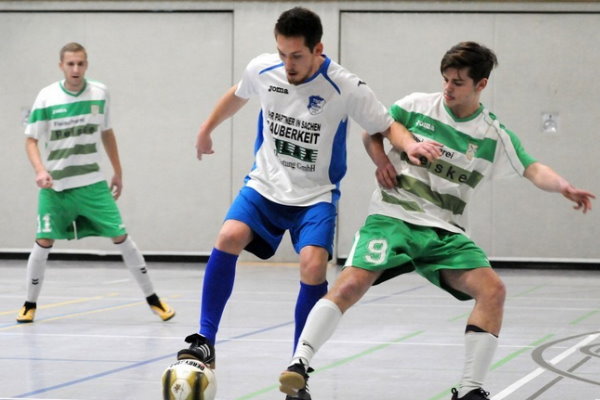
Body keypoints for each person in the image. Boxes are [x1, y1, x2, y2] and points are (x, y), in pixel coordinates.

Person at [278, 41, 595, 400]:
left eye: (458, 82)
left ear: (481, 85)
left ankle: (470, 390)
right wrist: (381, 161)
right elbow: (371, 132)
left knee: (493, 290)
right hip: (394, 216)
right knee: (351, 284)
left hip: (444, 230)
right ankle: (299, 364)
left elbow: (532, 168)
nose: (448, 88)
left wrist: (564, 186)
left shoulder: (491, 134)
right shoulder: (415, 107)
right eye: (445, 79)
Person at [175, 7, 440, 400]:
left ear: (318, 49)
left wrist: (409, 146)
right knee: (228, 235)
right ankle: (205, 341)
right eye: (281, 53)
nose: (287, 64)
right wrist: (206, 128)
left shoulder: (345, 86)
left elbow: (385, 125)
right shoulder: (264, 70)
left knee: (314, 263)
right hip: (265, 185)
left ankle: (299, 365)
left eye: (296, 56)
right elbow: (238, 94)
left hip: (315, 195)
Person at [17, 42, 175, 324]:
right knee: (43, 241)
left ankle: (154, 300)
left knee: (121, 236)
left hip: (92, 184)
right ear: (61, 66)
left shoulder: (100, 93)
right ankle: (29, 304)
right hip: (56, 187)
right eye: (70, 64)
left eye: (80, 63)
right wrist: (40, 171)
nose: (75, 69)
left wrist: (118, 171)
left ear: (86, 64)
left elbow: (107, 133)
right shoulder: (47, 97)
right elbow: (31, 140)